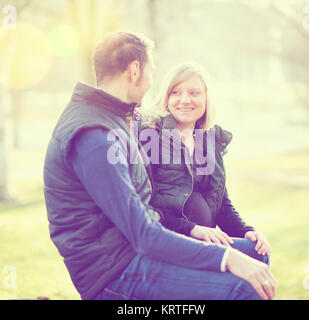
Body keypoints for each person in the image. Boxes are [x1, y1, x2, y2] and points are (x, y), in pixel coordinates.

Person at [43, 31, 276, 300]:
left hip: (132, 251)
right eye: (151, 73)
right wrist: (224, 257)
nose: (151, 83)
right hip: (112, 271)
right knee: (244, 287)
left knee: (255, 257)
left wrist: (241, 240)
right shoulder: (96, 136)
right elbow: (143, 232)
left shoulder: (113, 119)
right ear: (134, 71)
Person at [139, 63, 272, 260]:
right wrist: (192, 229)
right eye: (176, 92)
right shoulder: (151, 136)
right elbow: (146, 204)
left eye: (194, 93)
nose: (185, 100)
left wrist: (246, 231)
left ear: (206, 98)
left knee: (257, 252)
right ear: (166, 97)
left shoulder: (207, 140)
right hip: (172, 241)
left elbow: (222, 205)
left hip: (206, 241)